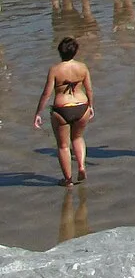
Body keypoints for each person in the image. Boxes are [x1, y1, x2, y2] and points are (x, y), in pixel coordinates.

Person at [33, 37, 92, 185]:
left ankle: (68, 180)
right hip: (81, 105)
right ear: (75, 51)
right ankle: (81, 166)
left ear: (60, 51)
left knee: (63, 146)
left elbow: (46, 93)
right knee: (78, 138)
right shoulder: (82, 67)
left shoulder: (55, 70)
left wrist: (38, 113)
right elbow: (89, 89)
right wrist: (91, 106)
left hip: (62, 109)